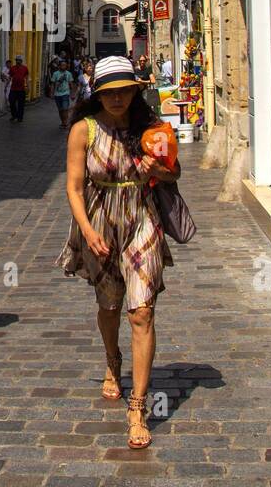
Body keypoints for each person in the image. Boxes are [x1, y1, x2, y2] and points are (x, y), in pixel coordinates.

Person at [59, 56, 179, 450]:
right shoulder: (83, 130)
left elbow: (174, 173)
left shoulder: (150, 127)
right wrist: (88, 231)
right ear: (98, 95)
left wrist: (157, 169)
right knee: (109, 306)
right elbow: (74, 188)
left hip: (141, 220)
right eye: (109, 92)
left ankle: (138, 408)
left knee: (141, 311)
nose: (117, 98)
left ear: (134, 91)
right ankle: (113, 360)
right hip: (100, 225)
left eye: (124, 90)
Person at [50, 57, 73, 130]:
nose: (64, 66)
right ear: (59, 66)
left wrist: (72, 94)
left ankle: (65, 122)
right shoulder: (55, 74)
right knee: (60, 110)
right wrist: (51, 93)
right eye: (62, 65)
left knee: (65, 109)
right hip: (57, 94)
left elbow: (71, 83)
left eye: (65, 65)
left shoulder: (68, 74)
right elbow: (53, 84)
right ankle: (63, 122)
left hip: (66, 93)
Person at [8, 54, 29, 123]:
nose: (18, 61)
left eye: (19, 60)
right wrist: (6, 86)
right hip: (13, 89)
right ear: (16, 61)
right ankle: (14, 115)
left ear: (21, 61)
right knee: (11, 102)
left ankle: (20, 117)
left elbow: (26, 78)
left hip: (21, 89)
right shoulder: (12, 68)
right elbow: (9, 77)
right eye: (17, 60)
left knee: (21, 104)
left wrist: (28, 86)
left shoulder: (25, 68)